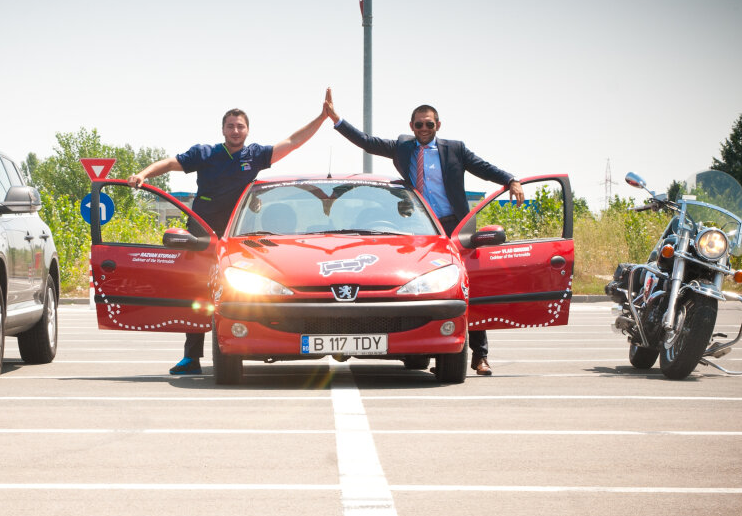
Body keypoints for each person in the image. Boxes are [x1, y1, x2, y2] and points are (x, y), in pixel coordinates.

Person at [323, 88, 523, 376]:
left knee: (467, 289)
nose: (424, 129)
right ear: (411, 126)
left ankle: (479, 356)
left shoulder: (455, 149)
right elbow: (366, 142)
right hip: (417, 229)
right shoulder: (403, 147)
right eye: (419, 124)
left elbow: (483, 168)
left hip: (453, 225)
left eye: (430, 124)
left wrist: (510, 180)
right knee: (417, 285)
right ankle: (421, 342)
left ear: (438, 126)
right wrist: (336, 119)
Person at [129, 102, 329, 375]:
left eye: (240, 126)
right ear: (223, 129)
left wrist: (322, 117)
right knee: (198, 294)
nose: (235, 131)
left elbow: (293, 141)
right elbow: (169, 163)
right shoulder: (205, 154)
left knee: (246, 290)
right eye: (230, 126)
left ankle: (254, 341)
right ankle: (191, 358)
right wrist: (143, 175)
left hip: (239, 236)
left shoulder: (255, 155)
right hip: (202, 234)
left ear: (247, 130)